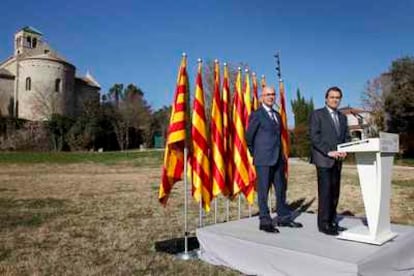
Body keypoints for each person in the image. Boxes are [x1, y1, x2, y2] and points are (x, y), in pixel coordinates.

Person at [246, 86, 302, 233]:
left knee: (281, 190)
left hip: (278, 159)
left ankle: (283, 218)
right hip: (263, 160)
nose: (271, 97)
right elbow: (249, 138)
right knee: (263, 192)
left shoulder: (277, 115)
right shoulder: (257, 115)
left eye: (273, 94)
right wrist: (257, 154)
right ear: (261, 97)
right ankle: (265, 221)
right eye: (267, 94)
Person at [309, 86, 350, 235]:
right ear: (326, 98)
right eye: (332, 97)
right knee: (325, 193)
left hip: (338, 160)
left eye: (337, 98)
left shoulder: (343, 117)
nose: (335, 100)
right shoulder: (317, 114)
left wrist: (346, 149)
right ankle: (324, 224)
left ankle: (333, 221)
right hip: (324, 159)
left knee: (335, 193)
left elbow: (346, 137)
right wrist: (329, 152)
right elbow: (315, 137)